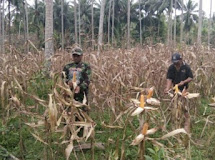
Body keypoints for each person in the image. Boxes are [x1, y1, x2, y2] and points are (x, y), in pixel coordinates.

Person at [164, 53, 193, 133]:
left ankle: (187, 122)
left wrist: (183, 82)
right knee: (175, 104)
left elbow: (190, 77)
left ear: (181, 60)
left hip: (184, 89)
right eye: (174, 62)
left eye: (176, 61)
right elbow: (169, 79)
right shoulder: (171, 68)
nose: (175, 63)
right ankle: (176, 121)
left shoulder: (186, 67)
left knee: (183, 105)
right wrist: (167, 88)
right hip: (175, 90)